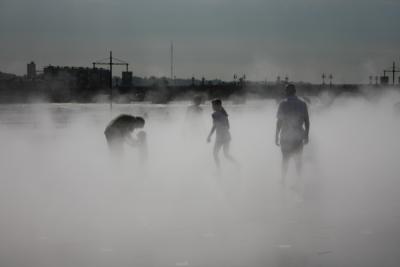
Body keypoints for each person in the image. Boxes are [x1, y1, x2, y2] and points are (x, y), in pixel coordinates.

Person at [275, 84, 310, 185]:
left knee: (285, 159)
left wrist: (276, 136)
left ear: (286, 92)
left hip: (285, 135)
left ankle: (283, 180)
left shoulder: (283, 104)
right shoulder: (302, 104)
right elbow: (307, 121)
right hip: (298, 135)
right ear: (295, 92)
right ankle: (299, 180)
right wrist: (306, 135)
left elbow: (279, 122)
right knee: (298, 160)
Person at [207, 99, 237, 170]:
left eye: (213, 105)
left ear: (218, 105)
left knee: (215, 154)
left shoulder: (214, 114)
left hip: (220, 137)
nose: (212, 107)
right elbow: (228, 126)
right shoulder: (224, 114)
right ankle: (237, 164)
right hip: (227, 136)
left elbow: (214, 126)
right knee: (226, 154)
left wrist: (209, 136)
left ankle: (219, 170)